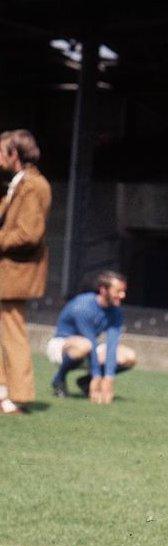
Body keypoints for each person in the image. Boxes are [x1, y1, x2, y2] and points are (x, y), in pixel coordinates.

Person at [0, 129, 52, 416]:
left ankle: (18, 397)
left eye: (0, 151)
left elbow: (28, 234)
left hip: (16, 274)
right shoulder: (19, 184)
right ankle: (4, 394)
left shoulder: (34, 186)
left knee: (12, 334)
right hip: (7, 272)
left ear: (14, 154)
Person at [48, 270, 137, 404]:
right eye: (118, 291)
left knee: (129, 357)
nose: (122, 295)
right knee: (85, 345)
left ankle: (85, 382)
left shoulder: (116, 311)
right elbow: (89, 340)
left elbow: (112, 344)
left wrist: (108, 378)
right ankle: (59, 378)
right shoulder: (83, 306)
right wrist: (97, 376)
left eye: (123, 291)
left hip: (90, 346)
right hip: (62, 346)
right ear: (103, 290)